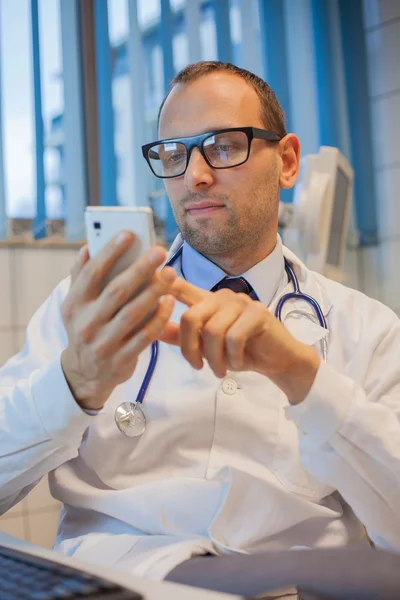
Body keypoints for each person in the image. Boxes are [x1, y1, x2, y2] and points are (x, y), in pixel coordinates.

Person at [1, 61, 400, 589]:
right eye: (173, 153)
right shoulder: (86, 310)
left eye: (224, 146)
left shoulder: (366, 329)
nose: (195, 175)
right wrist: (72, 385)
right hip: (115, 584)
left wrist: (306, 379)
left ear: (286, 161)